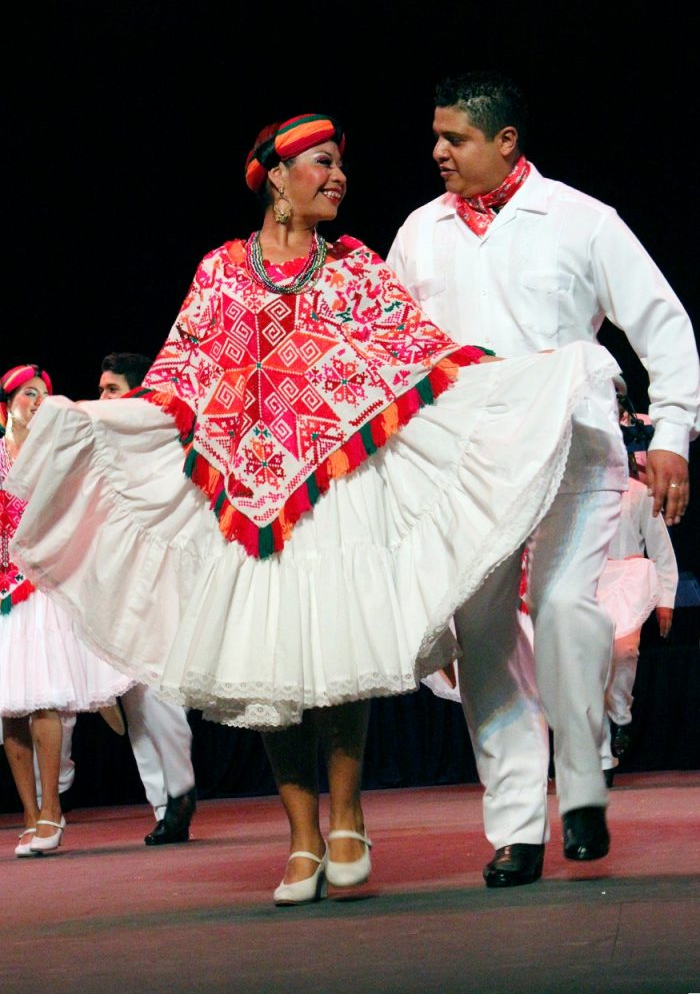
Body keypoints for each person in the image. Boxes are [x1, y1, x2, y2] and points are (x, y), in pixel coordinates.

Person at [8, 114, 618, 902]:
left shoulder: (356, 270)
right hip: (244, 500)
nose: (338, 177)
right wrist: (91, 418)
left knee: (337, 659)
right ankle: (300, 837)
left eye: (340, 165)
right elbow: (178, 378)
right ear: (277, 179)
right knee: (271, 668)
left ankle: (348, 818)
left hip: (335, 493)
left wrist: (537, 376)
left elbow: (425, 358)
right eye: (323, 164)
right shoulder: (223, 272)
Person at [387, 70, 700, 887]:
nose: (438, 152)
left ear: (505, 142)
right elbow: (390, 358)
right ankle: (518, 828)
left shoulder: (581, 220)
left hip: (576, 442)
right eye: (436, 136)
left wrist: (671, 433)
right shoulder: (419, 233)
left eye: (454, 138)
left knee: (565, 608)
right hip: (473, 461)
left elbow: (662, 322)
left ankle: (586, 782)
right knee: (484, 636)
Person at [0, 365, 132, 856]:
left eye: (45, 395)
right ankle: (30, 817)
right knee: (10, 709)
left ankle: (53, 810)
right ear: (8, 402)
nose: (38, 401)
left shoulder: (54, 455)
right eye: (29, 394)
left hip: (43, 589)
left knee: (43, 699)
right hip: (3, 596)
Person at [98, 353, 197, 846]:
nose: (103, 400)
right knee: (134, 695)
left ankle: (180, 791)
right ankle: (163, 803)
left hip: (162, 574)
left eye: (111, 390)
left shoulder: (161, 438)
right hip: (121, 576)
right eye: (101, 390)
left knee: (157, 687)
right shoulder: (105, 445)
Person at [599, 454, 679, 784]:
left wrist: (666, 601)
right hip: (590, 583)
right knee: (588, 668)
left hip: (628, 579)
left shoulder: (638, 493)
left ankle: (620, 714)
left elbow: (661, 550)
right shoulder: (573, 498)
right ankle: (602, 756)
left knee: (623, 652)